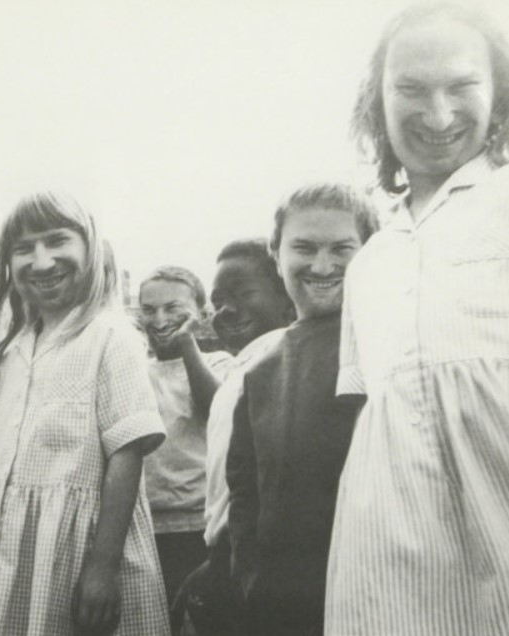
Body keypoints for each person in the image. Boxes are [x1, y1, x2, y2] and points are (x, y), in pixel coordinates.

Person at [325, 4, 509, 636]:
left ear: (500, 95)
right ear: (376, 102)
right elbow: (369, 415)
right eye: (410, 89)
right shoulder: (370, 261)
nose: (438, 115)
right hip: (394, 552)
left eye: (462, 86)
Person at [0, 192, 171, 636]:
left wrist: (102, 567)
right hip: (2, 549)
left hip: (78, 550)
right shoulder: (11, 348)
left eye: (57, 241)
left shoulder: (109, 336)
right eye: (24, 248)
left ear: (90, 248)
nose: (41, 262)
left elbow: (127, 453)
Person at [227, 185, 377, 636]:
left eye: (342, 249)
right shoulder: (261, 370)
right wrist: (250, 578)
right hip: (285, 607)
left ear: (372, 253)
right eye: (305, 248)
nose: (323, 266)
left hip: (376, 595)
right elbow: (244, 489)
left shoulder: (390, 346)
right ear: (276, 255)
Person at [179, 238, 294, 636]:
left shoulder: (279, 359)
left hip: (251, 554)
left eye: (243, 294)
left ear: (287, 299)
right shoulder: (244, 366)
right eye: (218, 301)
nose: (226, 309)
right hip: (229, 550)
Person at [139, 266, 231, 631]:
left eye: (173, 308)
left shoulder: (220, 363)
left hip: (200, 529)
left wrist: (187, 344)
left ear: (201, 312)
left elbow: (217, 409)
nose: (160, 319)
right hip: (147, 528)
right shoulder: (135, 370)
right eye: (149, 309)